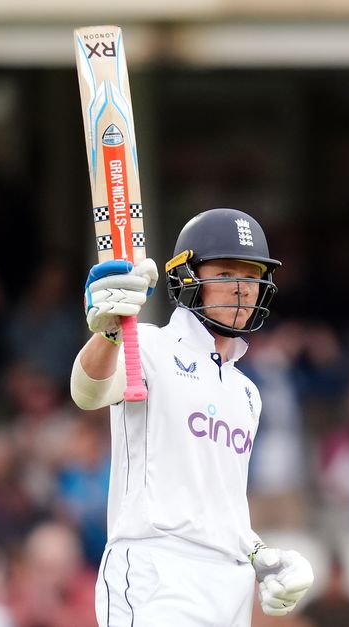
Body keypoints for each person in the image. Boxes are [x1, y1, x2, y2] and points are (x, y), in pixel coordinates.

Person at [70, 208, 314, 626]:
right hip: (158, 570)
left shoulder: (247, 393)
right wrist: (109, 331)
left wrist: (261, 555)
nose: (242, 289)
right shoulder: (147, 345)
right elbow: (87, 392)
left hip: (230, 583)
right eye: (225, 274)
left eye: (252, 276)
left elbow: (219, 502)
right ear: (188, 278)